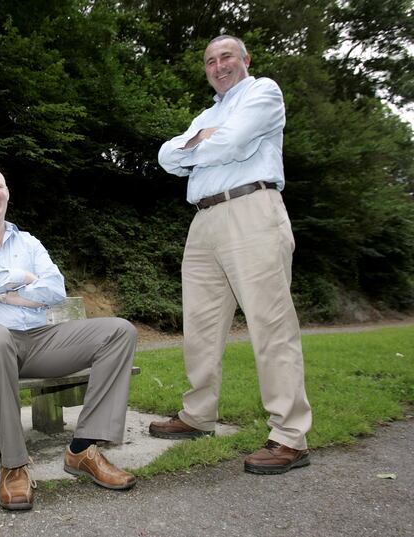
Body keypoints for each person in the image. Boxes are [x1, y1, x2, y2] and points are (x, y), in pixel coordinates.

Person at [151, 35, 313, 475]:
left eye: (226, 57)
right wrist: (201, 141)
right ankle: (198, 415)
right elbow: (166, 156)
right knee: (199, 326)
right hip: (204, 220)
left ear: (245, 60)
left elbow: (235, 144)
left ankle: (289, 436)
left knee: (271, 324)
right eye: (210, 61)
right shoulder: (208, 113)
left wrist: (196, 148)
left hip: (252, 210)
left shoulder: (264, 92)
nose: (218, 65)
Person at [0, 165, 137, 510]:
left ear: (7, 193)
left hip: (34, 339)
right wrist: (22, 279)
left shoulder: (28, 241)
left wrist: (2, 292)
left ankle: (83, 450)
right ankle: (14, 465)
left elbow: (55, 288)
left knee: (119, 331)